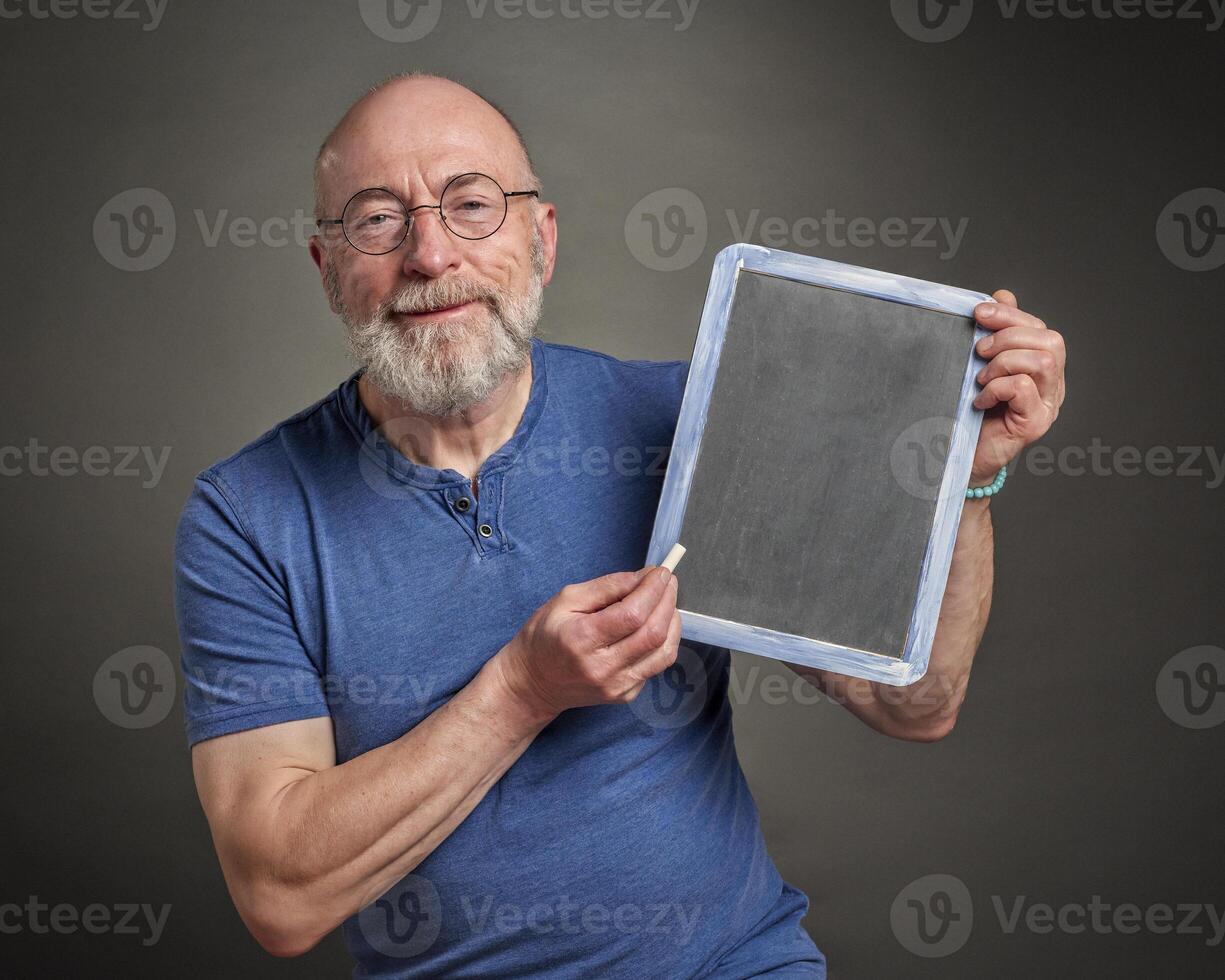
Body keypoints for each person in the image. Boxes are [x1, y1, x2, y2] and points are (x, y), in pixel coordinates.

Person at [174, 72, 1067, 978]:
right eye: (376, 220)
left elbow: (911, 704)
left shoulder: (681, 421)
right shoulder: (247, 516)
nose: (431, 255)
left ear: (542, 239)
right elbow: (280, 896)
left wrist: (966, 483)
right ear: (328, 272)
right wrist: (522, 691)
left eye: (471, 205)